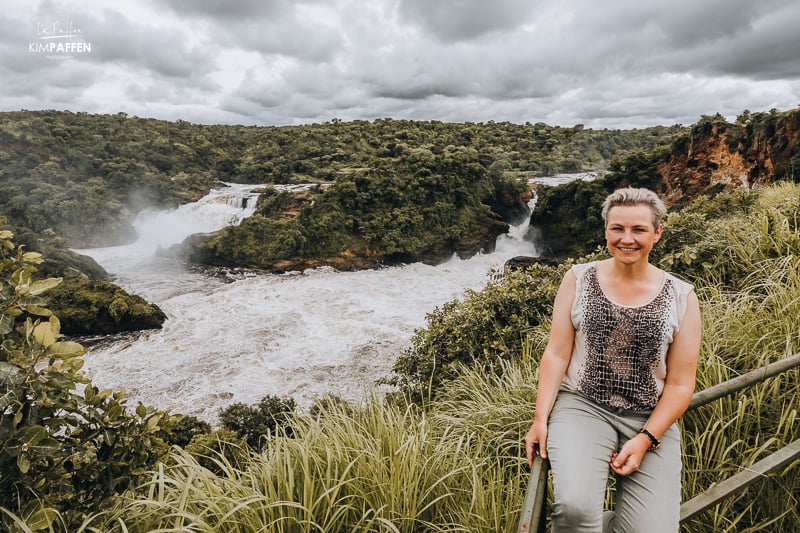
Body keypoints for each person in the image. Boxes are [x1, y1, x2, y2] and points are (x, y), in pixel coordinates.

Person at [524, 187, 702, 532]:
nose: (627, 239)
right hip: (582, 405)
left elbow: (681, 383)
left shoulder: (682, 296)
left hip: (649, 418)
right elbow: (557, 353)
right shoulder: (577, 278)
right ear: (606, 230)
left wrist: (645, 438)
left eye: (639, 230)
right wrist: (540, 419)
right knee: (575, 511)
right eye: (617, 228)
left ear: (657, 233)